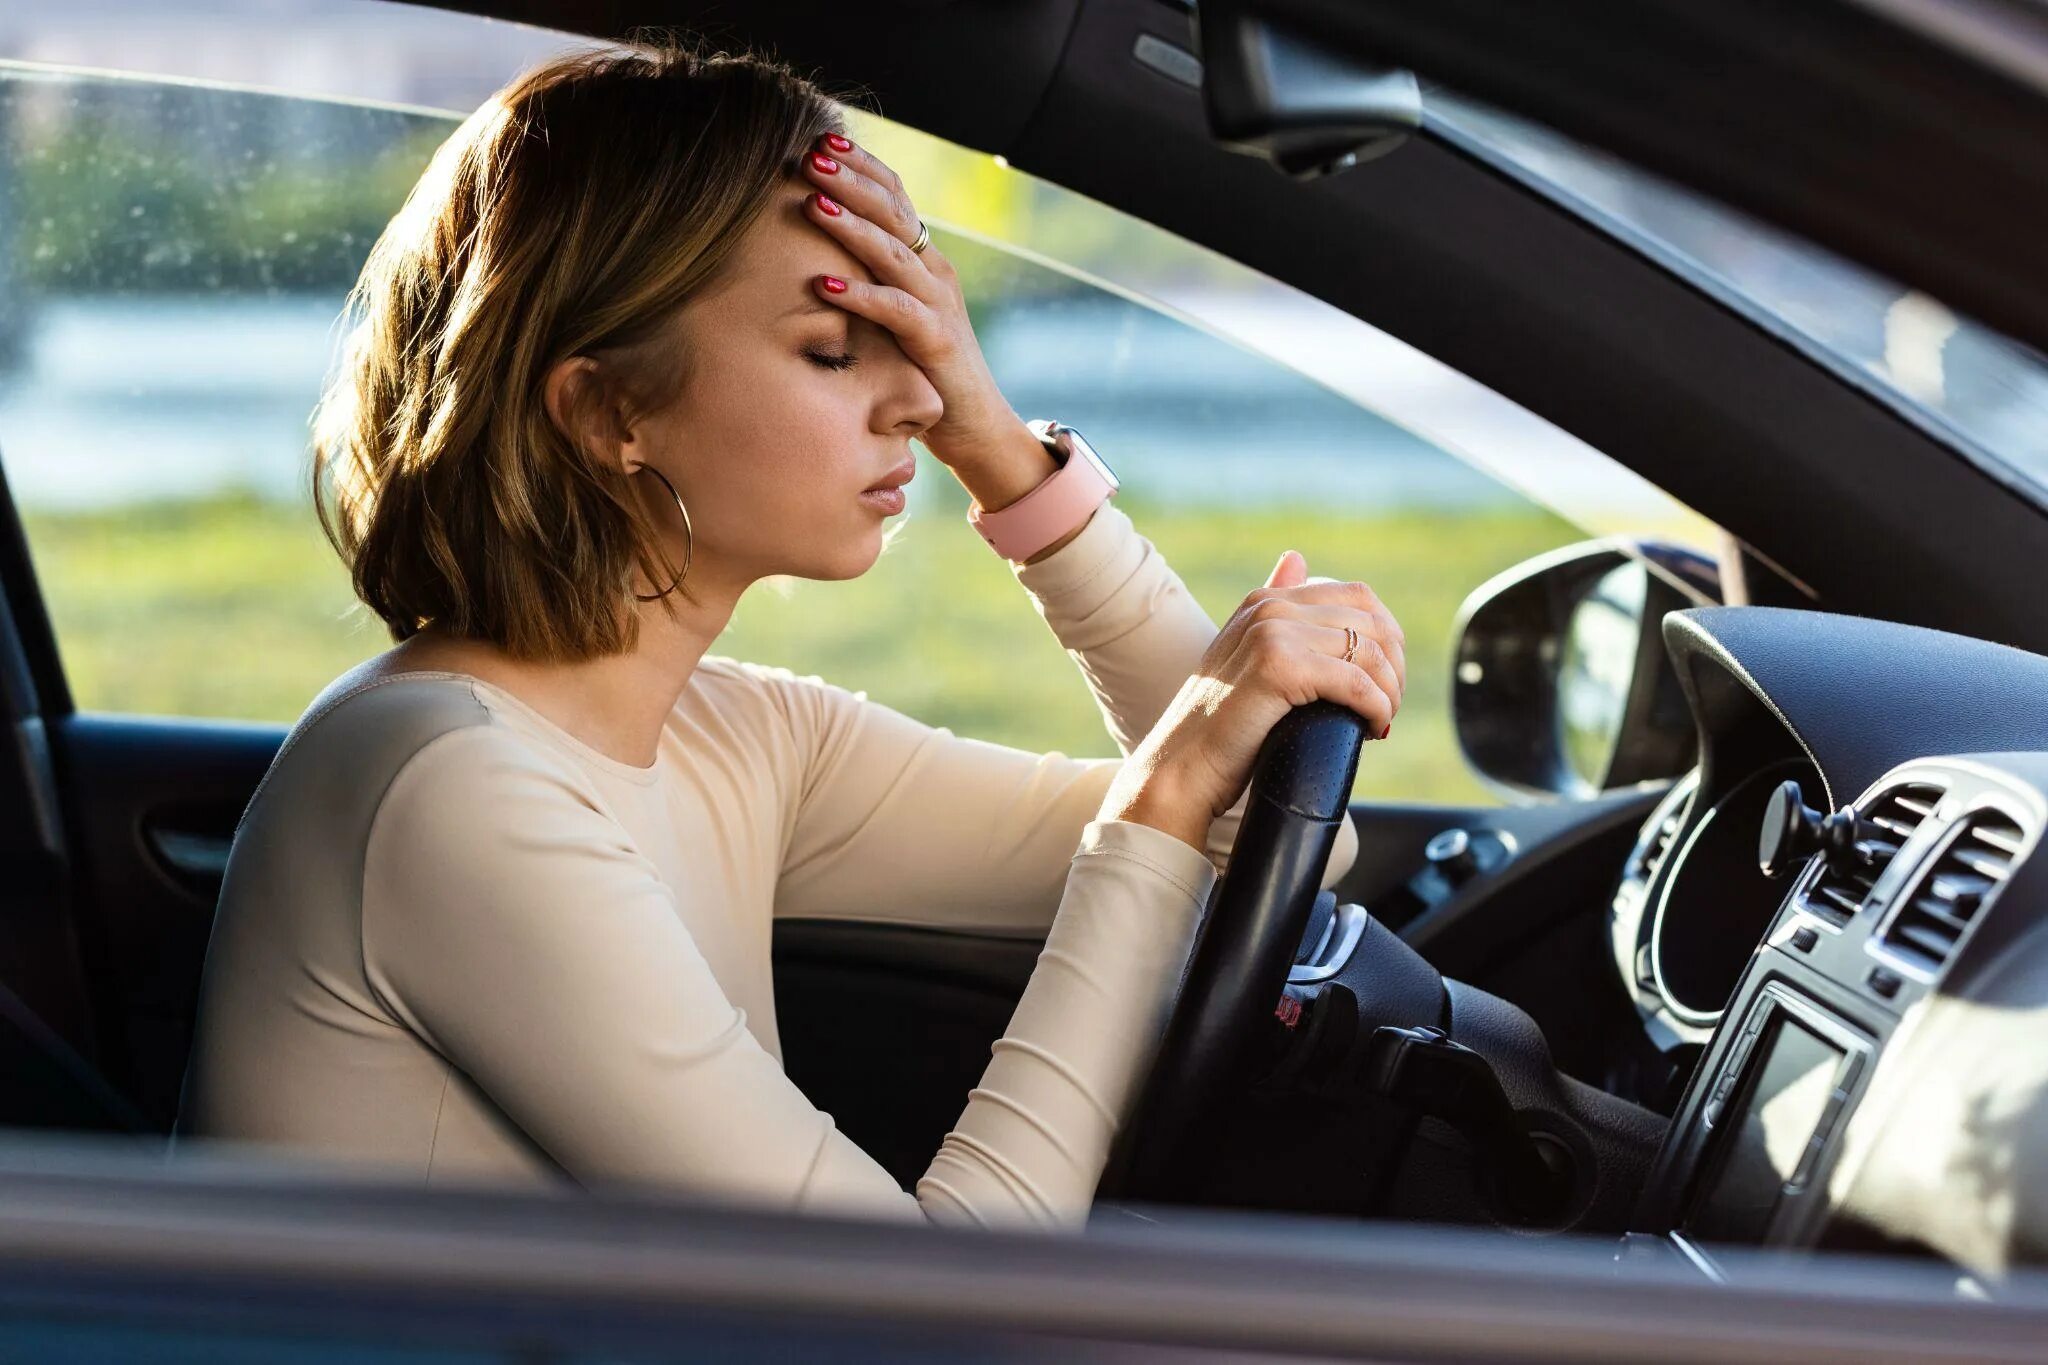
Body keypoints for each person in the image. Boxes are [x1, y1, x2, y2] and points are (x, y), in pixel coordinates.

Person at [174, 37, 1404, 1228]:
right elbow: (917, 1318)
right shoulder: (452, 792)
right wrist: (1167, 782)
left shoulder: (742, 736)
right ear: (608, 414)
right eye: (831, 351)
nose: (919, 400)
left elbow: (1282, 838)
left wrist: (1003, 452)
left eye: (920, 347)